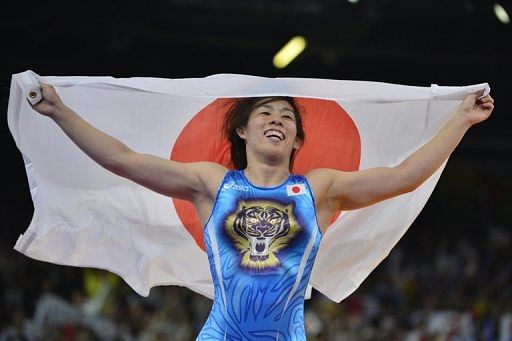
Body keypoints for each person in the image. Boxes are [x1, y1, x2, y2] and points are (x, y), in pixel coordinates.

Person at [31, 83, 494, 340]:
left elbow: (404, 176)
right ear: (242, 132)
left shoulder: (320, 189)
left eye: (287, 117)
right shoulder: (212, 184)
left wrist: (461, 119)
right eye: (265, 114)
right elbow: (122, 160)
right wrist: (59, 111)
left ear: (296, 141)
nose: (276, 119)